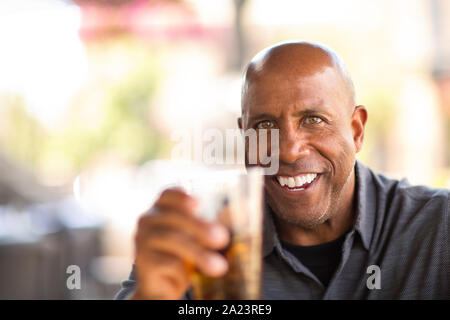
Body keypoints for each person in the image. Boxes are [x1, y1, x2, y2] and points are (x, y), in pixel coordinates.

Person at [115, 41, 449, 300]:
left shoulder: (438, 228)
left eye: (313, 120)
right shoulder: (203, 241)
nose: (288, 150)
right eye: (263, 126)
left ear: (356, 130)